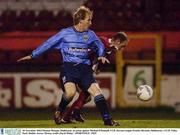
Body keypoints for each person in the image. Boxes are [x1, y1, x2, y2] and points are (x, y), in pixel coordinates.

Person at [17, 6, 119, 126]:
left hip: (85, 69)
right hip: (69, 68)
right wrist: (33, 55)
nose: (91, 22)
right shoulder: (65, 33)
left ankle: (107, 120)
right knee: (70, 93)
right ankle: (59, 111)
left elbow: (100, 45)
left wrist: (102, 54)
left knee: (97, 92)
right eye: (89, 20)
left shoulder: (90, 34)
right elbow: (49, 43)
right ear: (81, 21)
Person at [60, 32, 129, 123]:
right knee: (86, 93)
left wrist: (97, 68)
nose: (122, 49)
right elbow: (100, 46)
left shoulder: (110, 50)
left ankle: (70, 115)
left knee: (87, 95)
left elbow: (98, 58)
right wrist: (109, 48)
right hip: (76, 69)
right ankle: (71, 114)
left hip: (84, 71)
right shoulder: (102, 41)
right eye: (123, 46)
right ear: (118, 41)